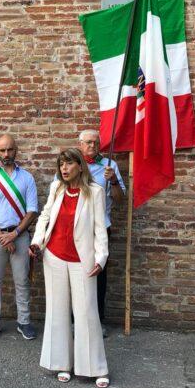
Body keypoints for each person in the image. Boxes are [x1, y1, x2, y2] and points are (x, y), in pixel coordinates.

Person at [29, 148, 109, 387]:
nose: (64, 168)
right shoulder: (56, 188)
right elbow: (45, 217)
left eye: (69, 163)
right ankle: (62, 364)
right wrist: (36, 242)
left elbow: (100, 228)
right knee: (57, 311)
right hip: (54, 256)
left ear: (80, 166)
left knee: (86, 313)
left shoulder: (95, 192)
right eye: (61, 164)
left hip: (82, 259)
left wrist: (101, 258)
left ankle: (94, 367)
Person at [0, 134, 39, 340]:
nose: (6, 154)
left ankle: (24, 321)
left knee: (22, 281)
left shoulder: (27, 178)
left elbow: (32, 210)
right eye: (2, 150)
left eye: (10, 149)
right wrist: (1, 236)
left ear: (16, 150)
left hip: (19, 235)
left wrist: (14, 234)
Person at [76, 129, 125, 334]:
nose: (92, 146)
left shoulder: (109, 165)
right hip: (76, 227)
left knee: (98, 275)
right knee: (76, 274)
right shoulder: (71, 163)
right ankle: (76, 321)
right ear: (80, 144)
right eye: (88, 142)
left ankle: (97, 322)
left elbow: (120, 200)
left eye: (96, 142)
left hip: (100, 228)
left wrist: (113, 181)